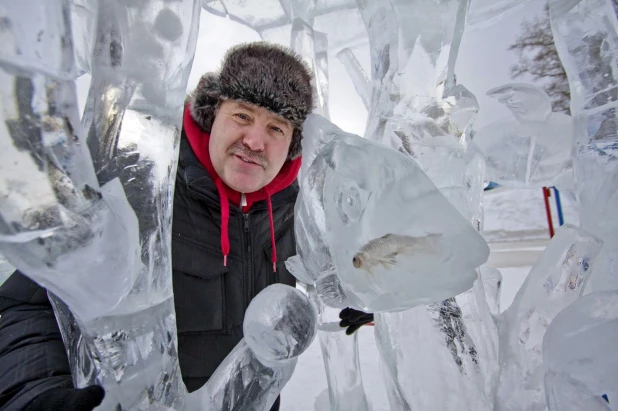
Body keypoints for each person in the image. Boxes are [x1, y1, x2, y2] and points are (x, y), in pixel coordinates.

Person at [0, 42, 313, 411]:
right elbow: (26, 308)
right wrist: (39, 395)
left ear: (292, 143)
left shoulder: (296, 210)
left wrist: (368, 290)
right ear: (213, 114)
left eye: (276, 127)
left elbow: (340, 269)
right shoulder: (137, 187)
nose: (255, 141)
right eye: (242, 116)